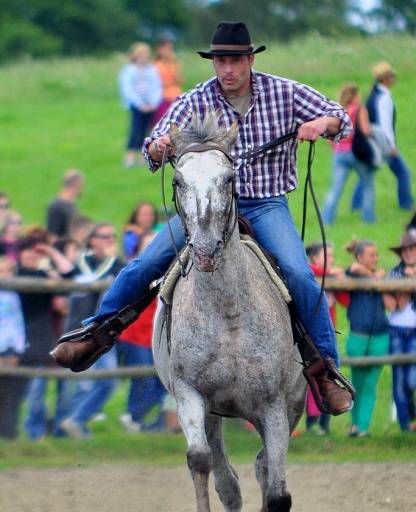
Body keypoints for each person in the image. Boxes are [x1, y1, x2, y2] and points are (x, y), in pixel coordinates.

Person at [54, 21, 354, 416]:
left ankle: (324, 371)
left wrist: (323, 124)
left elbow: (340, 118)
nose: (227, 69)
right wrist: (159, 147)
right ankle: (96, 333)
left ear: (250, 60)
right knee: (146, 263)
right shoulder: (195, 98)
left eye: (234, 60)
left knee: (299, 274)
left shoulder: (286, 91)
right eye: (220, 61)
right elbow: (152, 147)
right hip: (205, 208)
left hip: (264, 203)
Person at [60, 222, 125, 439]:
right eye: (104, 236)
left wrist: (114, 260)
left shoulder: (117, 266)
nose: (109, 241)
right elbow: (64, 281)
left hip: (103, 334)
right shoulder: (79, 264)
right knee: (82, 385)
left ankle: (76, 420)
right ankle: (69, 429)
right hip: (77, 332)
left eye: (112, 237)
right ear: (92, 239)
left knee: (108, 381)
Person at [17, 231, 75, 441]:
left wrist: (50, 252)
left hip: (44, 339)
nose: (31, 255)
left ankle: (44, 432)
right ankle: (32, 432)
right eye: (27, 251)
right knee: (33, 391)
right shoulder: (17, 274)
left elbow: (70, 273)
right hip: (24, 340)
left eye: (35, 252)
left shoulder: (43, 275)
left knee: (41, 389)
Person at [118, 233, 167, 433]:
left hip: (157, 334)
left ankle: (139, 418)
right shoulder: (138, 269)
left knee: (162, 380)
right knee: (143, 377)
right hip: (136, 333)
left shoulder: (168, 268)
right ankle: (133, 416)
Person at [352, 61, 414, 213]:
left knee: (366, 175)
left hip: (374, 143)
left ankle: (356, 206)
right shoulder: (384, 98)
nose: (394, 78)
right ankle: (406, 205)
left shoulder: (373, 95)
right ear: (386, 79)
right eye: (392, 76)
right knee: (403, 173)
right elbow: (384, 123)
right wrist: (391, 146)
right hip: (383, 144)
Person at [345, 239, 389, 437]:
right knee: (357, 383)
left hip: (381, 336)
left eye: (377, 255)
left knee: (370, 384)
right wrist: (376, 276)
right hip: (358, 336)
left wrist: (378, 277)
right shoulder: (353, 272)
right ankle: (354, 424)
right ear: (360, 257)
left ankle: (362, 427)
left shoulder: (379, 276)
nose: (376, 258)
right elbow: (354, 268)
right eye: (372, 255)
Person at [304, 242, 349, 434]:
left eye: (332, 256)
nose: (331, 259)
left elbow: (345, 301)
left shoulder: (329, 275)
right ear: (315, 258)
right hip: (311, 334)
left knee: (329, 374)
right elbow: (307, 270)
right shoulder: (310, 272)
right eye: (327, 255)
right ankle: (312, 422)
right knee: (316, 375)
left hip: (329, 333)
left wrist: (340, 281)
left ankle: (325, 421)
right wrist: (330, 273)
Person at [323, 84, 375, 224]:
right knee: (367, 185)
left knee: (335, 188)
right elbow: (366, 131)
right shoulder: (359, 109)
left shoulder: (338, 111)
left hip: (339, 153)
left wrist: (336, 148)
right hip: (356, 153)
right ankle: (369, 218)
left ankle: (327, 219)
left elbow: (329, 135)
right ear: (355, 96)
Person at [383, 232, 416, 432]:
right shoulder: (394, 274)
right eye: (406, 250)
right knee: (399, 378)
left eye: (412, 249)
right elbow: (395, 306)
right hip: (397, 329)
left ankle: (410, 414)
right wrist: (407, 284)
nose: (409, 253)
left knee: (412, 377)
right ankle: (405, 425)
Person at [119, 42, 162, 168]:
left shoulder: (152, 70)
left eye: (145, 54)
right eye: (141, 54)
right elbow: (127, 89)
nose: (143, 57)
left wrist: (153, 102)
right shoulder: (129, 70)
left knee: (149, 132)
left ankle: (145, 156)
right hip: (137, 106)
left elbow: (157, 86)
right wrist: (139, 103)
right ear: (135, 55)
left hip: (150, 105)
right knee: (136, 131)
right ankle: (130, 156)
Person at [0, 256, 26, 439]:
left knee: (9, 390)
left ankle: (8, 432)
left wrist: (19, 346)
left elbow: (17, 322)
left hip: (12, 346)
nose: (5, 276)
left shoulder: (14, 295)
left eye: (8, 271)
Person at [46, 170, 84, 241]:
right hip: (62, 250)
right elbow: (52, 236)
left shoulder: (71, 205)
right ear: (76, 184)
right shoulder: (57, 206)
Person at [153, 38, 184, 122]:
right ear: (160, 50)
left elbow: (180, 80)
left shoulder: (174, 64)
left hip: (176, 97)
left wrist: (172, 63)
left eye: (171, 49)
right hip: (163, 98)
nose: (169, 51)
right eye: (167, 49)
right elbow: (157, 84)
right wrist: (172, 82)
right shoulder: (156, 65)